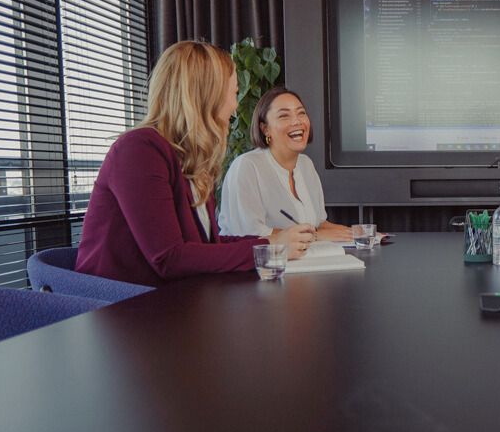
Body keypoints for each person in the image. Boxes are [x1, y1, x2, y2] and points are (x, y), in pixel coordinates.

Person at [76, 41, 316, 286]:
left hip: (174, 300)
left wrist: (273, 243)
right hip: (119, 308)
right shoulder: (139, 149)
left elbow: (207, 247)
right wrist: (268, 246)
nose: (235, 108)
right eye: (233, 94)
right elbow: (170, 258)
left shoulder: (193, 159)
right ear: (205, 95)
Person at [218, 87, 353, 241]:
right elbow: (250, 235)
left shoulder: (306, 164)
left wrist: (362, 234)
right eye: (284, 116)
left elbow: (319, 224)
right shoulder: (246, 167)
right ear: (265, 129)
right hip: (260, 264)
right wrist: (316, 237)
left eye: (301, 113)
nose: (297, 121)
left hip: (306, 261)